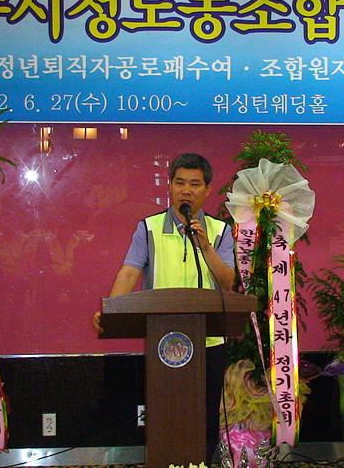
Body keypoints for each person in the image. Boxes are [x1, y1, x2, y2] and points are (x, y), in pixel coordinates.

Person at [92, 152, 235, 462]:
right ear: (169, 186)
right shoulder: (149, 227)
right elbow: (129, 272)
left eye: (194, 184)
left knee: (206, 414)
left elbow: (228, 282)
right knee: (164, 410)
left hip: (209, 341)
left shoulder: (220, 231)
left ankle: (201, 463)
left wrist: (205, 246)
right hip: (163, 340)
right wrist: (111, 310)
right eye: (180, 183)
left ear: (207, 189)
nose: (186, 190)